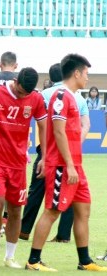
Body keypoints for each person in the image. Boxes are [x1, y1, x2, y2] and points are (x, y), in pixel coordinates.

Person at [25, 54, 107, 272]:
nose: (88, 79)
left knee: (83, 211)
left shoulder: (72, 96)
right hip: (62, 165)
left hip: (75, 165)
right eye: (87, 74)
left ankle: (85, 260)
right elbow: (58, 132)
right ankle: (33, 260)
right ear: (77, 73)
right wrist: (69, 164)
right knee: (52, 211)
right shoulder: (61, 95)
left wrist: (74, 164)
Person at [0, 67, 47, 269]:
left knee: (16, 209)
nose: (21, 96)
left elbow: (43, 125)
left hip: (18, 162)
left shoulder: (35, 98)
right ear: (15, 81)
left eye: (26, 94)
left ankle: (10, 256)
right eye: (19, 92)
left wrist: (44, 155)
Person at [20, 63, 90, 243]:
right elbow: (86, 125)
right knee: (69, 195)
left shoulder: (45, 94)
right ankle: (63, 235)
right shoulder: (79, 98)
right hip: (69, 155)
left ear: (51, 78)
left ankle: (25, 230)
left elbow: (41, 122)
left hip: (48, 152)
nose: (87, 78)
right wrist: (74, 145)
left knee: (36, 191)